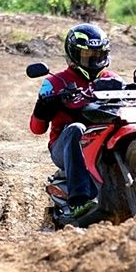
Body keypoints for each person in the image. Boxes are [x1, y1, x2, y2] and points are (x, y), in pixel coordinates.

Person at [29, 24, 122, 219]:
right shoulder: (55, 82)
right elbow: (37, 129)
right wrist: (47, 104)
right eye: (88, 54)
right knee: (76, 128)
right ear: (73, 54)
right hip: (64, 147)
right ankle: (79, 201)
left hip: (104, 143)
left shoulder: (113, 80)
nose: (94, 59)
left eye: (99, 54)